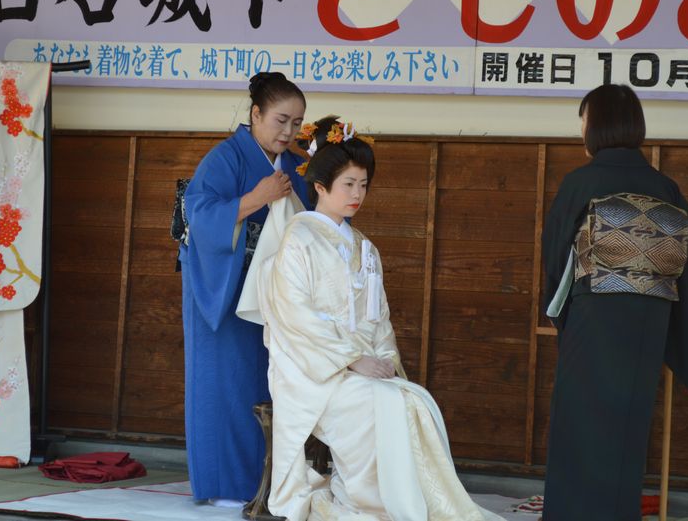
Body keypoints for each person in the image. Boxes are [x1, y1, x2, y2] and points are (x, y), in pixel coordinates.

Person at [247, 116, 503, 521]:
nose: (357, 194)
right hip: (312, 370)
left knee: (409, 399)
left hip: (357, 365)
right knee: (378, 406)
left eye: (363, 185)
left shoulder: (365, 247)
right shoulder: (298, 238)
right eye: (348, 184)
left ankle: (405, 504)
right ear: (319, 186)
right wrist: (351, 360)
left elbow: (378, 320)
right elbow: (296, 316)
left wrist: (387, 364)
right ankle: (366, 503)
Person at [540, 84, 688, 521]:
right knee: (627, 428)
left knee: (581, 424)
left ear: (598, 125)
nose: (581, 128)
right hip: (648, 320)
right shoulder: (663, 186)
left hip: (594, 316)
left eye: (584, 119)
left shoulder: (581, 181)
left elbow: (556, 253)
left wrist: (560, 307)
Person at [178, 71, 311, 505]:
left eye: (296, 123)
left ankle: (267, 484)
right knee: (226, 386)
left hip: (272, 293)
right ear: (256, 114)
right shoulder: (224, 157)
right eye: (281, 120)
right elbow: (200, 217)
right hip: (225, 288)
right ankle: (224, 488)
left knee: (268, 385)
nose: (288, 131)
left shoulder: (293, 165)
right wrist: (258, 197)